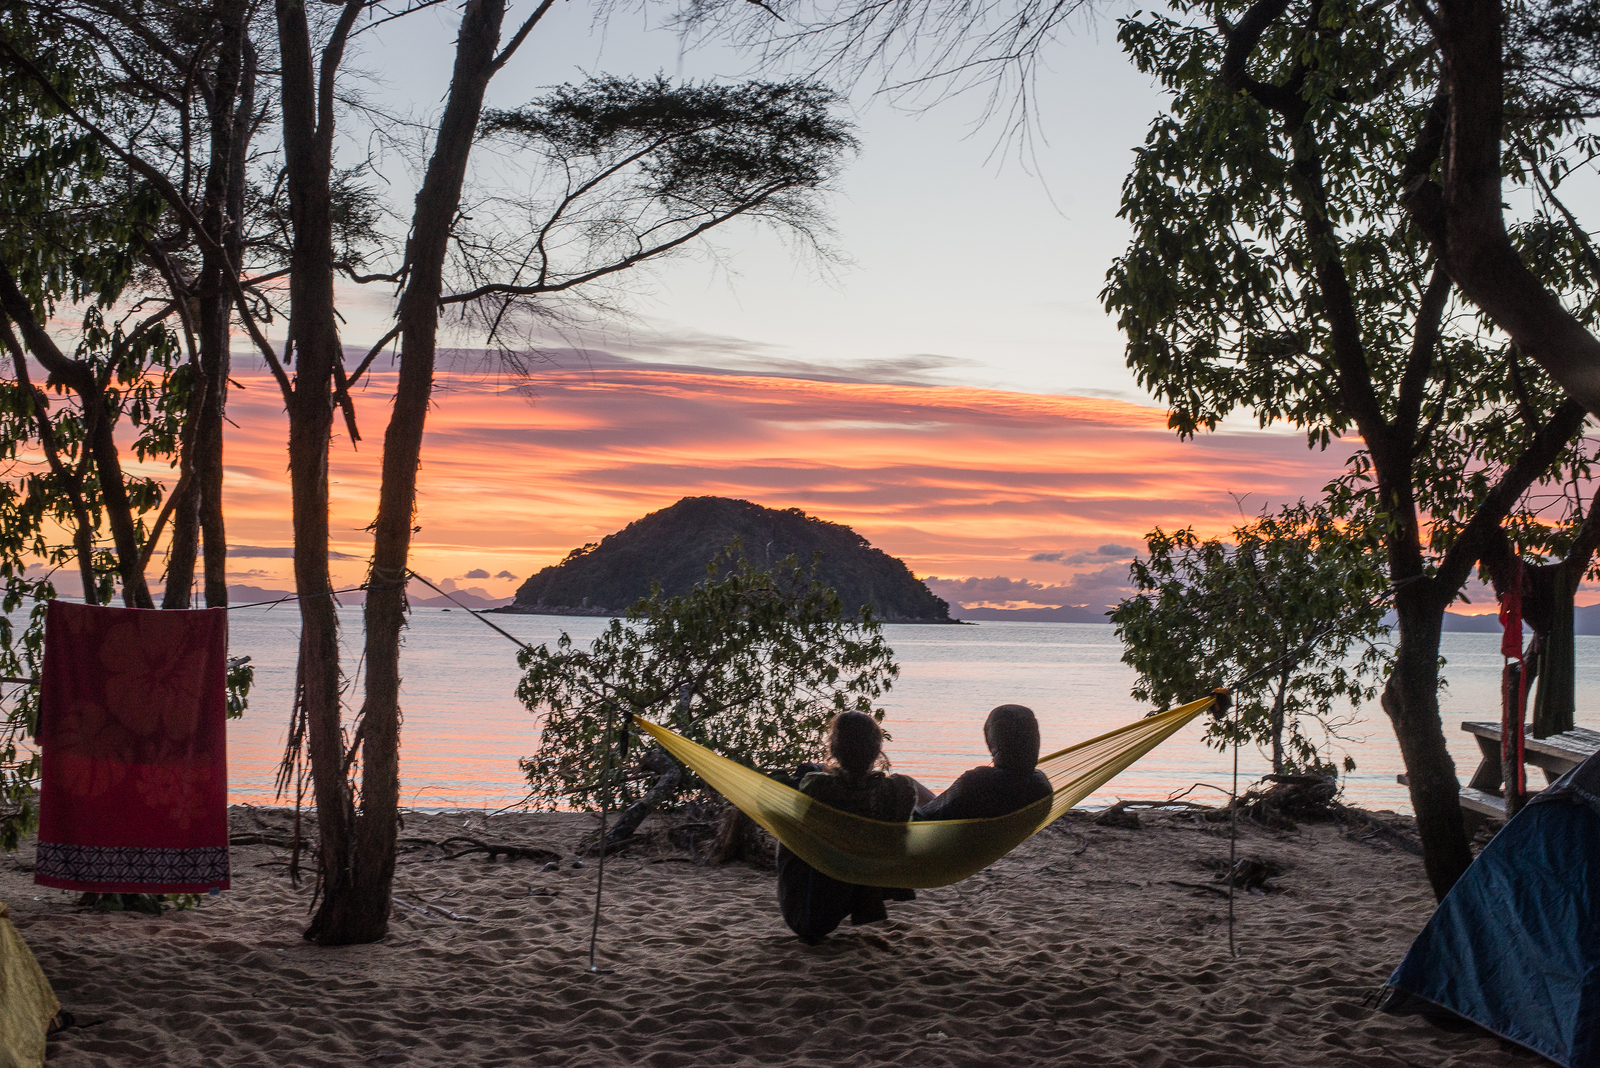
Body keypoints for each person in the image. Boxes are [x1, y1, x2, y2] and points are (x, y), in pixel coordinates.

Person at [776, 711, 917, 944]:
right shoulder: (899, 790)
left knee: (790, 829)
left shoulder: (817, 787)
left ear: (834, 748)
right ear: (876, 749)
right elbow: (904, 828)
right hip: (867, 878)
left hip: (812, 908)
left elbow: (786, 811)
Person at [914, 704, 1052, 821]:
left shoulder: (977, 782)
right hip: (990, 838)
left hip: (940, 835)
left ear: (994, 742)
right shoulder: (1041, 785)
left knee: (903, 783)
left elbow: (927, 815)